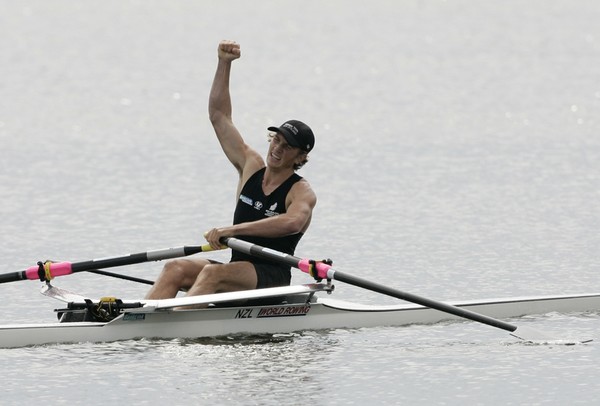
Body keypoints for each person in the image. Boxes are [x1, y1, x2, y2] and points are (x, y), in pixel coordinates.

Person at [145, 40, 317, 301]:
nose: (277, 149)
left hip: (271, 277)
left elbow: (292, 222)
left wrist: (231, 231)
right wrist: (224, 63)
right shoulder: (251, 165)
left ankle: (176, 332)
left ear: (301, 157)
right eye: (276, 140)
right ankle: (138, 323)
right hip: (238, 271)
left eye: (288, 146)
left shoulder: (301, 191)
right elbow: (219, 116)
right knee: (174, 268)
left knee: (211, 275)